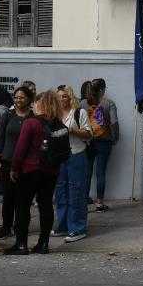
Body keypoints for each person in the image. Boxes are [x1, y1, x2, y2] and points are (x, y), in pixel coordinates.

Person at [6, 90, 66, 255]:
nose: (33, 105)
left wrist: (14, 168)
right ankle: (43, 243)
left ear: (41, 104)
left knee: (23, 206)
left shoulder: (31, 123)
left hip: (30, 170)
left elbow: (20, 149)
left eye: (36, 102)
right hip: (51, 171)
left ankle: (21, 244)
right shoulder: (59, 124)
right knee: (46, 205)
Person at [53, 85, 92, 243]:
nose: (61, 99)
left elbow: (89, 134)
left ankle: (78, 227)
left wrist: (72, 131)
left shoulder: (79, 112)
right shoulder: (54, 115)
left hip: (76, 154)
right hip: (59, 157)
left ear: (70, 97)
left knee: (76, 191)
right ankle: (63, 225)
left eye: (64, 96)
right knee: (61, 192)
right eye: (59, 96)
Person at [0, 86, 34, 239]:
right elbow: (1, 137)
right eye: (16, 97)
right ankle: (6, 226)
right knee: (8, 197)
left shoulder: (33, 118)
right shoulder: (7, 115)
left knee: (23, 198)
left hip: (26, 163)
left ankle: (21, 226)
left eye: (22, 97)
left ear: (29, 99)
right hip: (7, 161)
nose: (18, 100)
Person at [83, 79, 118, 212]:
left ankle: (84, 200)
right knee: (101, 172)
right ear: (103, 89)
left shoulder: (83, 103)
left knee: (87, 172)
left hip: (88, 141)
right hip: (104, 140)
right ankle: (99, 202)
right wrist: (115, 137)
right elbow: (114, 122)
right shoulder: (109, 103)